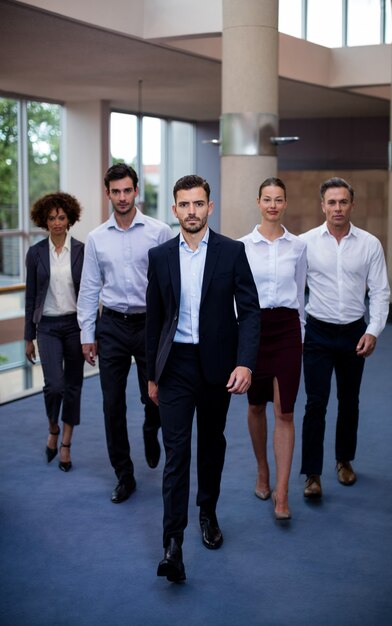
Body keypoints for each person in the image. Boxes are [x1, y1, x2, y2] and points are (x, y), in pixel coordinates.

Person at [146, 174, 260, 582]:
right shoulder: (159, 256)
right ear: (174, 209)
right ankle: (172, 543)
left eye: (198, 204)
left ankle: (207, 512)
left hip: (217, 366)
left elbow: (249, 312)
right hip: (174, 366)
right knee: (176, 452)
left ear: (210, 207)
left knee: (211, 444)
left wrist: (245, 363)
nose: (191, 211)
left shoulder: (232, 252)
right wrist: (151, 376)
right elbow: (154, 321)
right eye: (184, 204)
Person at [77, 163, 172, 503]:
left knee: (156, 397)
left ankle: (152, 427)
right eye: (115, 192)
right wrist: (87, 334)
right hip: (113, 325)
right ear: (108, 194)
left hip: (150, 325)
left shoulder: (159, 232)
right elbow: (89, 289)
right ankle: (124, 474)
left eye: (127, 190)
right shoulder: (97, 238)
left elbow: (170, 285)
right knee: (111, 404)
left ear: (136, 191)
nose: (121, 197)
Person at [299, 177, 390, 499]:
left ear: (352, 204)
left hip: (354, 332)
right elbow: (296, 292)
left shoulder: (370, 244)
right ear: (322, 205)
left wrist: (372, 330)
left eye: (343, 202)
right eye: (332, 202)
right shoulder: (306, 243)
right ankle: (312, 473)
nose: (337, 208)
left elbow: (380, 291)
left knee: (349, 401)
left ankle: (344, 460)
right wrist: (300, 330)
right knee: (315, 403)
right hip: (318, 333)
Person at [240, 177, 307, 520]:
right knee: (255, 406)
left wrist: (302, 334)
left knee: (285, 411)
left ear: (285, 203)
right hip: (252, 330)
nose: (272, 205)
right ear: (258, 201)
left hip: (286, 331)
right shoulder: (241, 246)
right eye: (267, 199)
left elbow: (299, 294)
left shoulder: (297, 247)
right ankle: (262, 469)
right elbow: (236, 297)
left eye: (278, 199)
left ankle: (282, 492)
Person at [24, 192, 85, 472]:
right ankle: (52, 427)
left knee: (73, 387)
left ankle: (66, 444)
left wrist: (90, 335)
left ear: (70, 219)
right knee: (55, 386)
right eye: (51, 218)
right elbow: (30, 296)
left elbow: (90, 292)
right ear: (44, 221)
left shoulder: (82, 251)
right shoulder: (35, 252)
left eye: (61, 217)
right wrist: (28, 336)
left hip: (75, 326)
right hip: (47, 326)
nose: (57, 223)